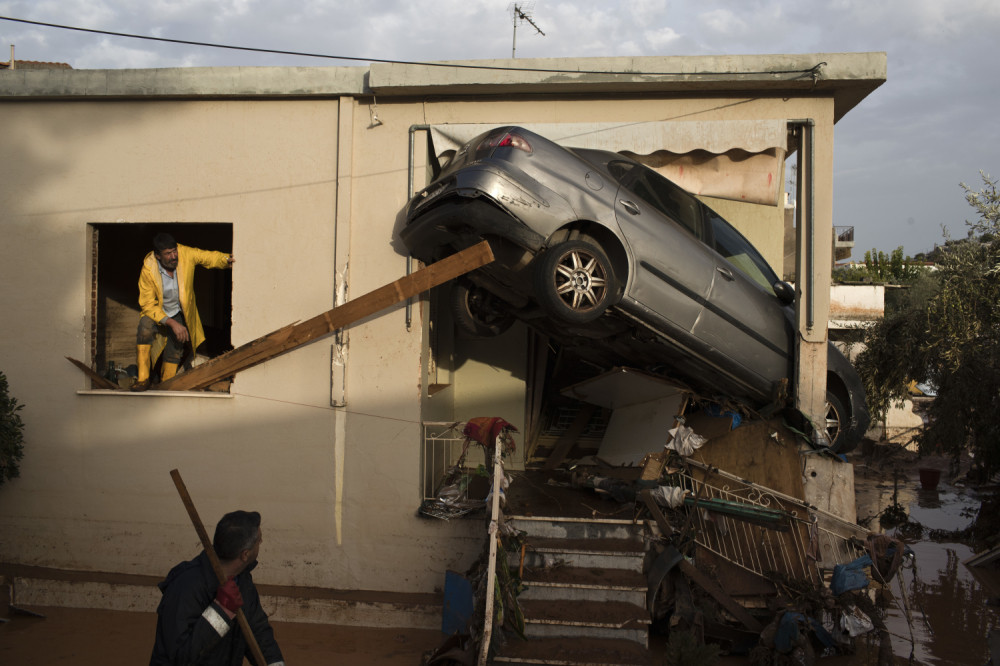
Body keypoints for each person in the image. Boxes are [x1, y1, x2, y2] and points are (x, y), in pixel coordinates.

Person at [150, 510, 285, 666]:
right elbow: (181, 657)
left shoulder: (242, 581)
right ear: (245, 555)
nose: (261, 542)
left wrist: (275, 664)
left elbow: (257, 630)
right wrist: (220, 612)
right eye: (258, 541)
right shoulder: (186, 587)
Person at [133, 232, 234, 391]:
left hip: (178, 311)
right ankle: (142, 380)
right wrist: (171, 323)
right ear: (158, 256)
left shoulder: (184, 253)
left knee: (177, 345)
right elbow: (147, 304)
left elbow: (205, 257)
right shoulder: (148, 268)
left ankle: (167, 383)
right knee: (144, 327)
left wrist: (226, 259)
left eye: (174, 251)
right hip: (157, 312)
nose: (174, 256)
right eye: (168, 254)